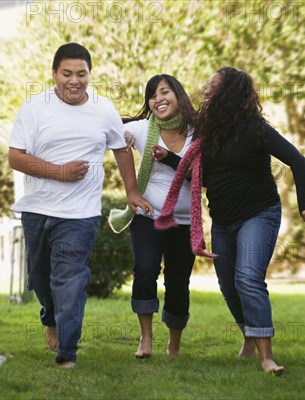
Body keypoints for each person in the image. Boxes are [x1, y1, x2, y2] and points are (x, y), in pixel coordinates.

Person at [156, 67, 305, 374]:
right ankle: (249, 332)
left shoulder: (255, 128)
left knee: (247, 278)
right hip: (223, 220)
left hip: (258, 213)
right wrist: (169, 159)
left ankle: (266, 357)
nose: (205, 91)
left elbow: (297, 160)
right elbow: (203, 177)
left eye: (213, 87)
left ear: (229, 93)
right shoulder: (208, 131)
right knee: (228, 286)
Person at [8, 43, 152, 368]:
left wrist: (131, 191)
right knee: (41, 278)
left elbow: (121, 148)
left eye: (81, 74)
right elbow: (15, 157)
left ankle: (67, 354)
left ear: (90, 74)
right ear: (54, 74)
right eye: (67, 73)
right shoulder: (34, 108)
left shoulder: (103, 109)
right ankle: (50, 318)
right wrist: (59, 172)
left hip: (80, 214)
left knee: (70, 279)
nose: (74, 81)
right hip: (37, 209)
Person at [108, 74, 197, 359]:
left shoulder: (199, 132)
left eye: (164, 92)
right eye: (152, 95)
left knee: (178, 281)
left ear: (179, 95)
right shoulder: (142, 129)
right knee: (145, 270)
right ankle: (145, 339)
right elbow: (110, 134)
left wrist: (169, 158)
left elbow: (200, 176)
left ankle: (174, 345)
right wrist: (131, 190)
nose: (158, 99)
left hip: (184, 221)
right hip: (149, 215)